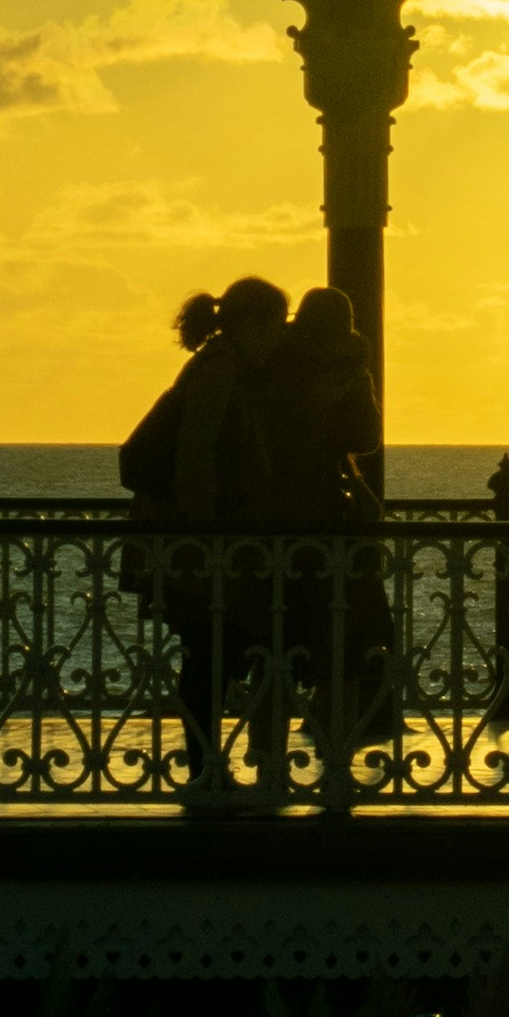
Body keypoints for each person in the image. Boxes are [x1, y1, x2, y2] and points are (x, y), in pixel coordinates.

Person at [116, 277, 290, 803]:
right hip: (197, 544)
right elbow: (197, 453)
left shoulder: (218, 364)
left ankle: (207, 767)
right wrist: (206, 529)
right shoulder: (221, 370)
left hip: (194, 539)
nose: (279, 339)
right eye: (275, 326)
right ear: (252, 324)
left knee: (211, 652)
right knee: (209, 655)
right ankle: (204, 768)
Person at [257, 285, 396, 806]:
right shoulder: (349, 363)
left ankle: (269, 762)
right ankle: (336, 759)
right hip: (332, 524)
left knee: (275, 646)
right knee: (344, 650)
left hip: (277, 522)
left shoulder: (275, 361)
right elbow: (367, 436)